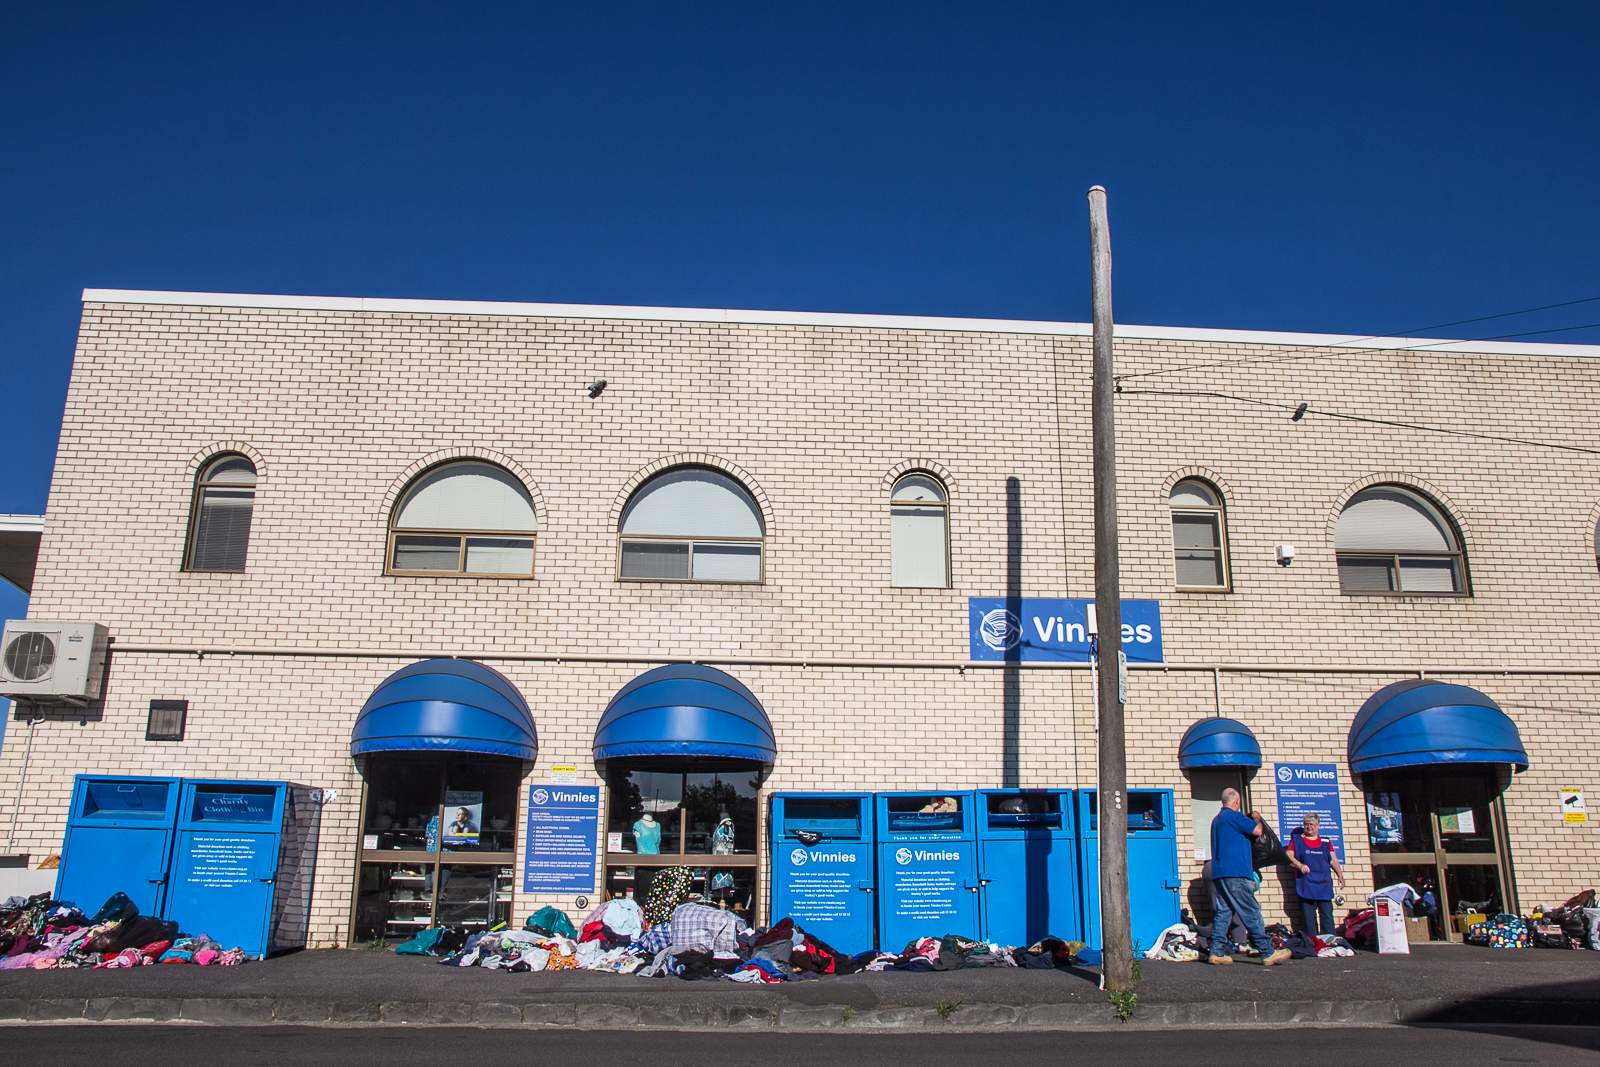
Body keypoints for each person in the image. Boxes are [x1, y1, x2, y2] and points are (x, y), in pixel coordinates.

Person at [1208, 788, 1291, 967]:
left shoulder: (1217, 820)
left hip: (1220, 872)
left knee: (1224, 912)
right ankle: (1267, 952)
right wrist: (1256, 818)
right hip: (1237, 872)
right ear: (1236, 801)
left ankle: (1216, 951)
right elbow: (1258, 831)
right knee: (1250, 910)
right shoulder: (1234, 816)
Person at [1286, 813, 1345, 935]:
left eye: (1312, 824)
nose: (1309, 827)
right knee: (1308, 918)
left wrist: (1340, 875)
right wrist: (1300, 865)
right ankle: (1312, 942)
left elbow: (1333, 860)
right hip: (1306, 885)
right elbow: (1288, 855)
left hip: (1324, 884)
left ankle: (1329, 941)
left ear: (1318, 826)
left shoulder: (1326, 841)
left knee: (1327, 915)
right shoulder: (1297, 840)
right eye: (1306, 824)